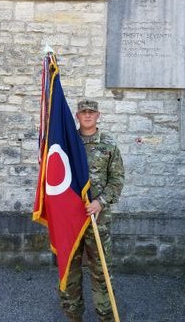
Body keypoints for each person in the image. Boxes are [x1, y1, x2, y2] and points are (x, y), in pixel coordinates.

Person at [59, 99, 125, 322]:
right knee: (71, 272)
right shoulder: (67, 144)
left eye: (92, 112)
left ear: (99, 115)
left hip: (98, 220)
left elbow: (117, 180)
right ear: (77, 116)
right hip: (70, 220)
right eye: (83, 112)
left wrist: (101, 202)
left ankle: (105, 317)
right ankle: (73, 316)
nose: (87, 116)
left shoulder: (108, 145)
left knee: (101, 273)